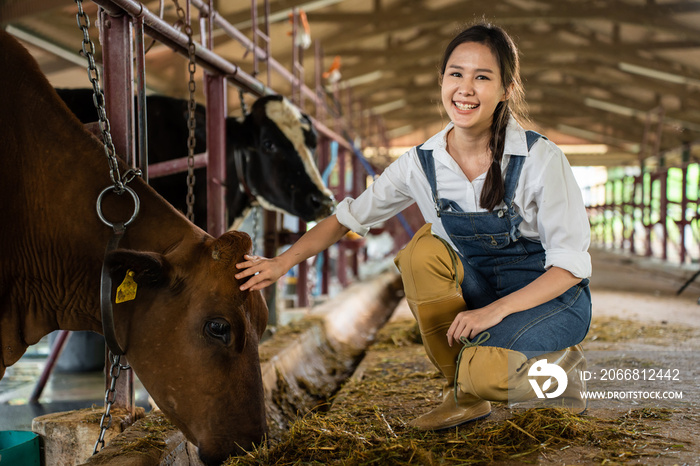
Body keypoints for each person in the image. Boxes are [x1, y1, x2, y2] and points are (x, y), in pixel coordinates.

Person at [236, 21, 592, 431]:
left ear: (507, 88)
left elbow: (569, 267)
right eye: (456, 74)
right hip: (483, 290)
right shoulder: (420, 164)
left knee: (489, 375)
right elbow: (346, 218)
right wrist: (282, 263)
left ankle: (560, 377)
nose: (465, 88)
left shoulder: (540, 159)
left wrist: (493, 311)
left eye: (482, 77)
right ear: (441, 80)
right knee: (422, 252)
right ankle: (461, 396)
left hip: (550, 298)